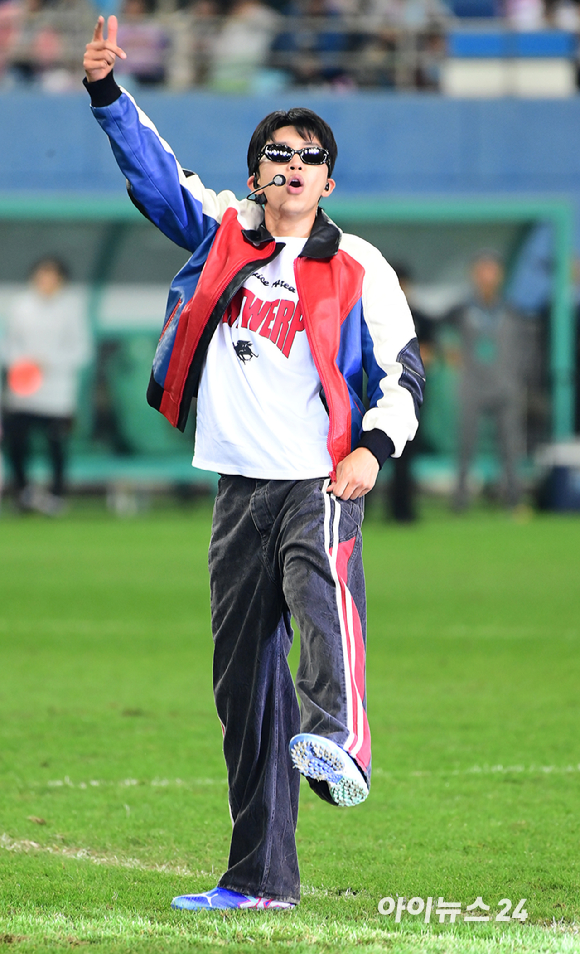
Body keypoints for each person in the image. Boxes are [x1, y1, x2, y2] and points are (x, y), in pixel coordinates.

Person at [83, 14, 425, 910]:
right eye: (278, 152)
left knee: (323, 609)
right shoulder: (225, 232)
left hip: (319, 479)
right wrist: (109, 94)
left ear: (328, 177)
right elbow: (155, 175)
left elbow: (402, 371)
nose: (292, 165)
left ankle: (344, 742)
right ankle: (261, 879)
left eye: (309, 155)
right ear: (256, 172)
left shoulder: (360, 264)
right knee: (243, 692)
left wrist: (373, 449)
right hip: (238, 489)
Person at [1, 257, 91, 515]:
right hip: (23, 391)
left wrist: (49, 363)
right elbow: (9, 345)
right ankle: (22, 493)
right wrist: (23, 363)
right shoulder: (20, 305)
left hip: (57, 393)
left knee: (56, 445)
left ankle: (56, 495)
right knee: (17, 442)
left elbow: (81, 350)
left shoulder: (71, 308)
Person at [448, 249, 529, 512]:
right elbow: (442, 338)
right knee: (466, 445)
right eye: (482, 270)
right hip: (472, 385)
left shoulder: (511, 311)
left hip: (505, 385)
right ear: (474, 274)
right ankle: (460, 499)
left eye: (491, 270)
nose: (486, 276)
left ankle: (514, 498)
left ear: (500, 275)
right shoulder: (461, 311)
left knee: (510, 445)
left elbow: (524, 348)